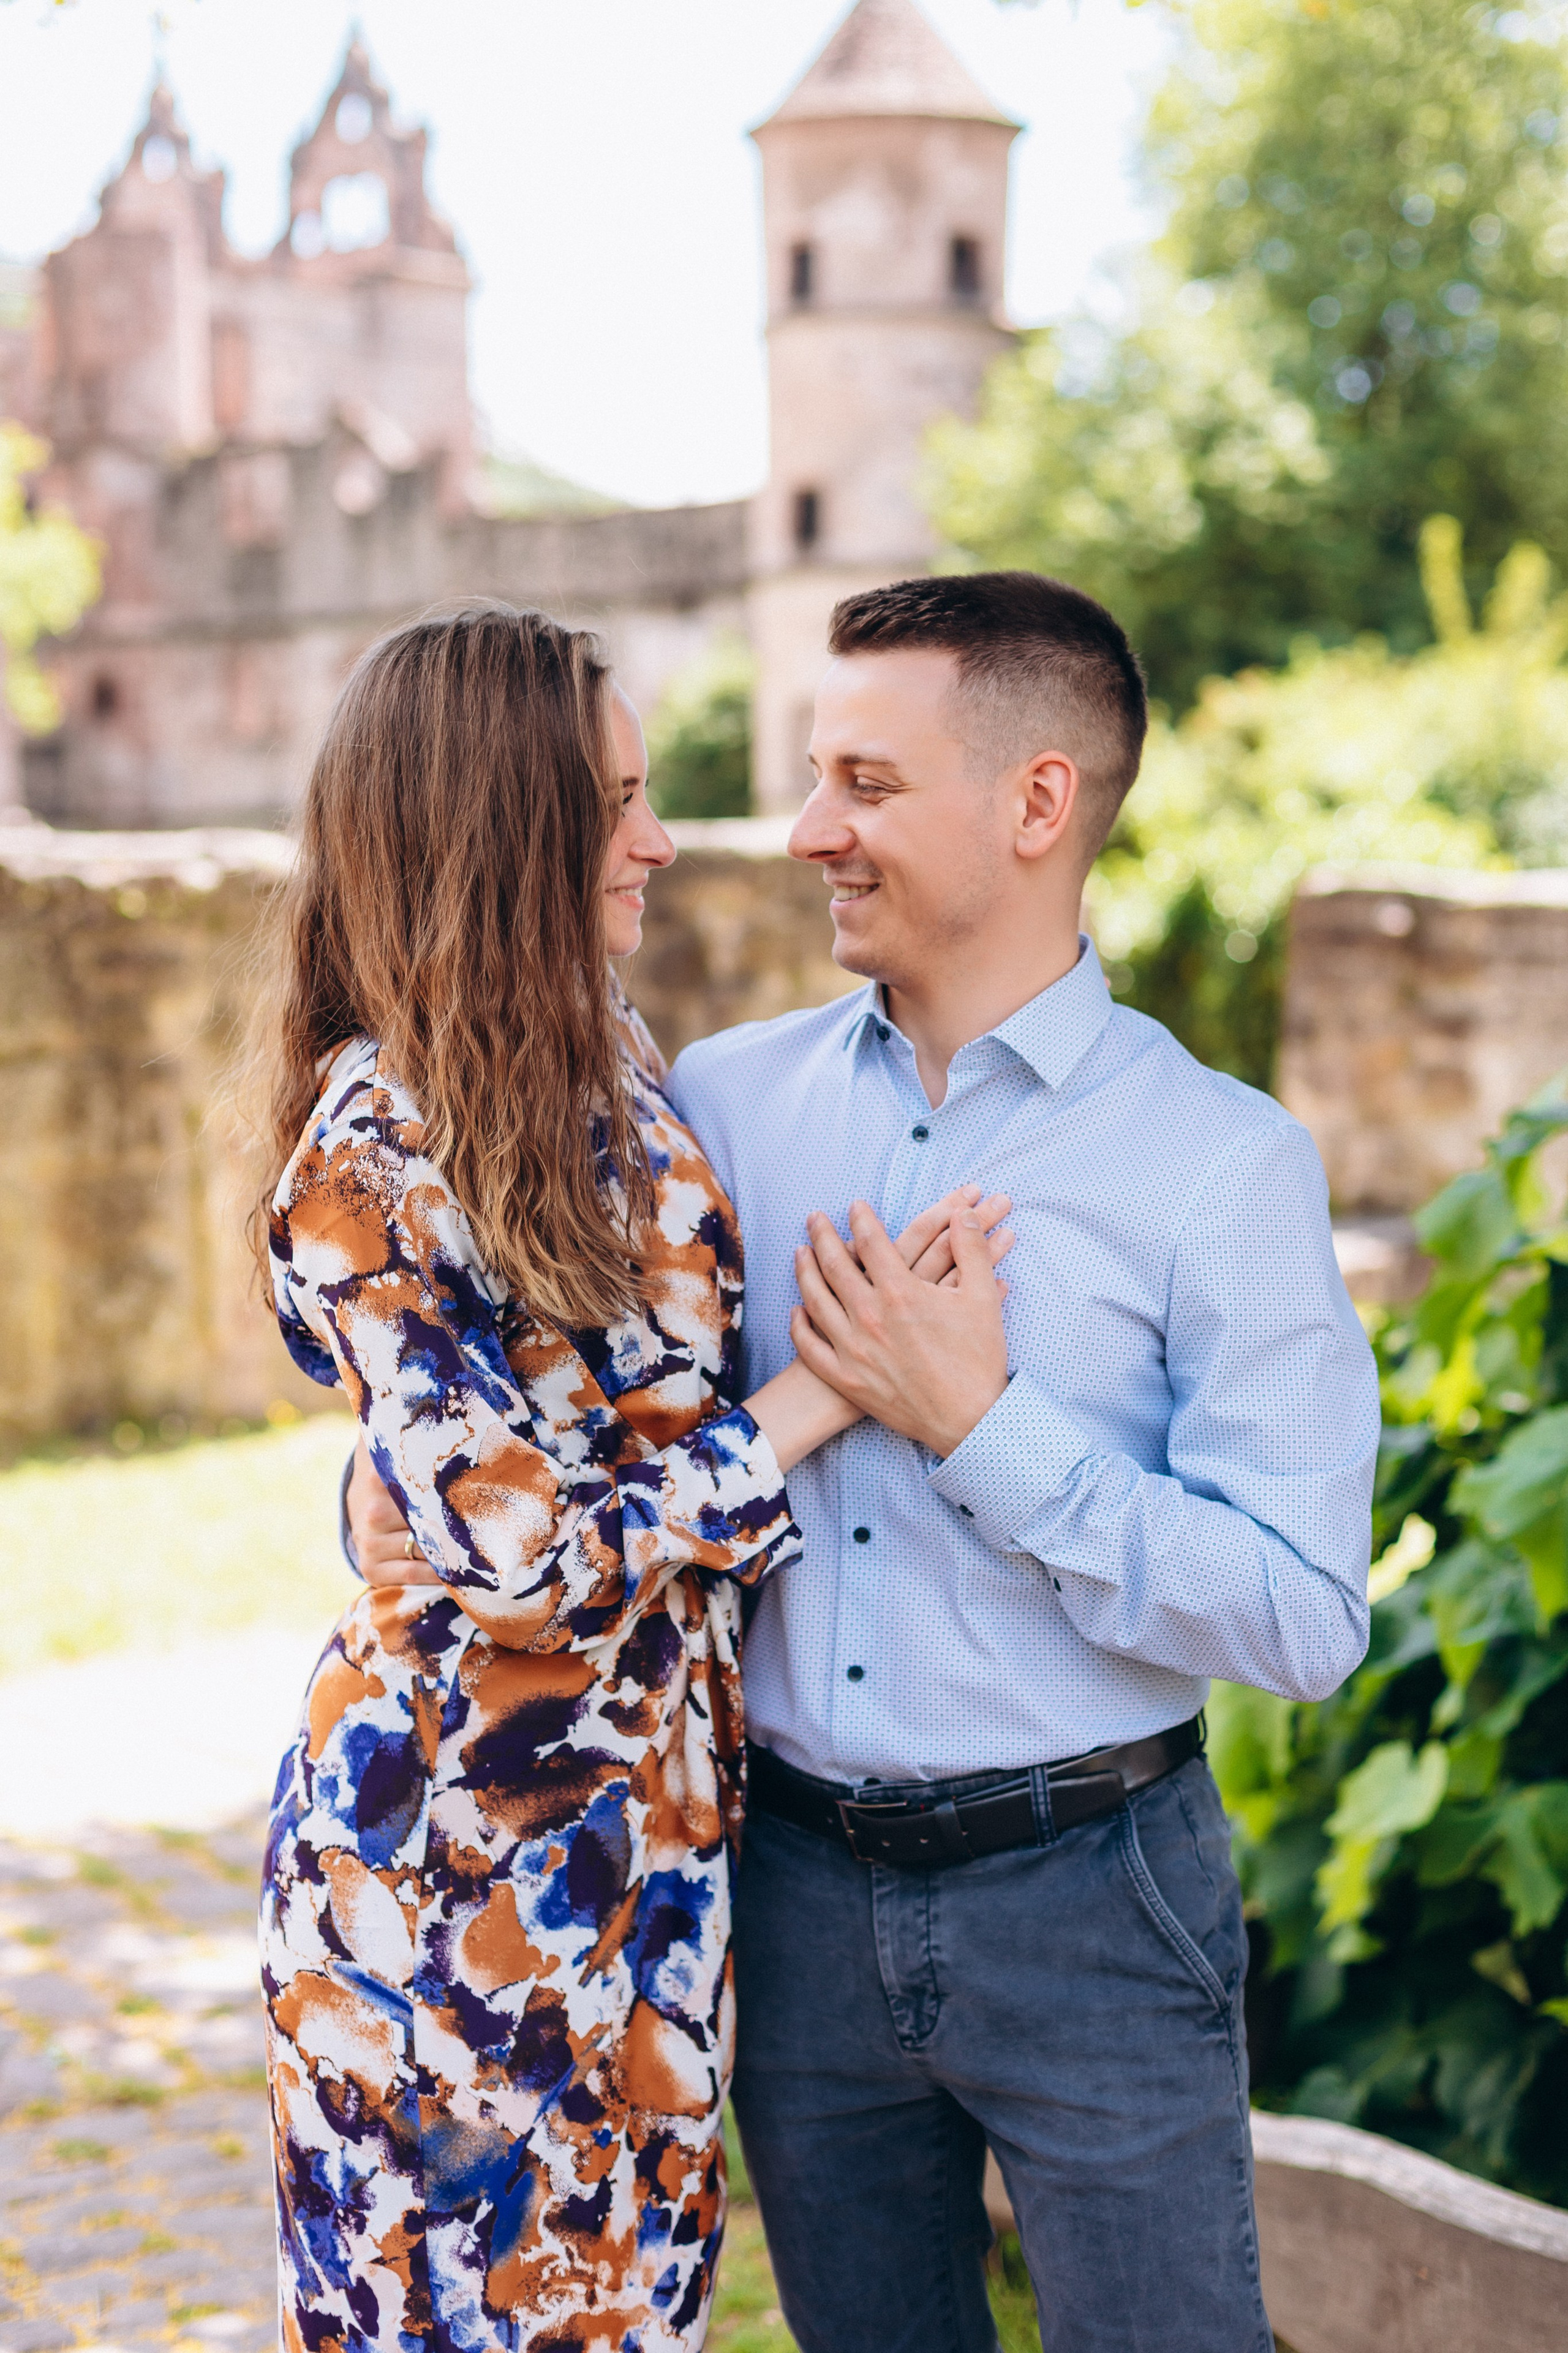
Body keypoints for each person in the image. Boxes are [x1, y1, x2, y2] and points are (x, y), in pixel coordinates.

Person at [349, 572, 1381, 2353]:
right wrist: (399, 1477)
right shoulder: (713, 1111)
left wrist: (991, 1431)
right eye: (819, 775)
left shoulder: (1225, 1166)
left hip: (1098, 1891)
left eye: (870, 785)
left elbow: (1307, 1615)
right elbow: (527, 1422)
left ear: (1037, 804)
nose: (812, 828)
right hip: (790, 1893)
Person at [254, 602, 1011, 2353]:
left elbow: (532, 1457)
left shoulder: (620, 1071)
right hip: (451, 1862)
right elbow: (519, 1557)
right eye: (615, 800)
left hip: (648, 1843)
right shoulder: (366, 1144)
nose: (658, 839)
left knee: (630, 2316)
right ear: (503, 827)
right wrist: (835, 1388)